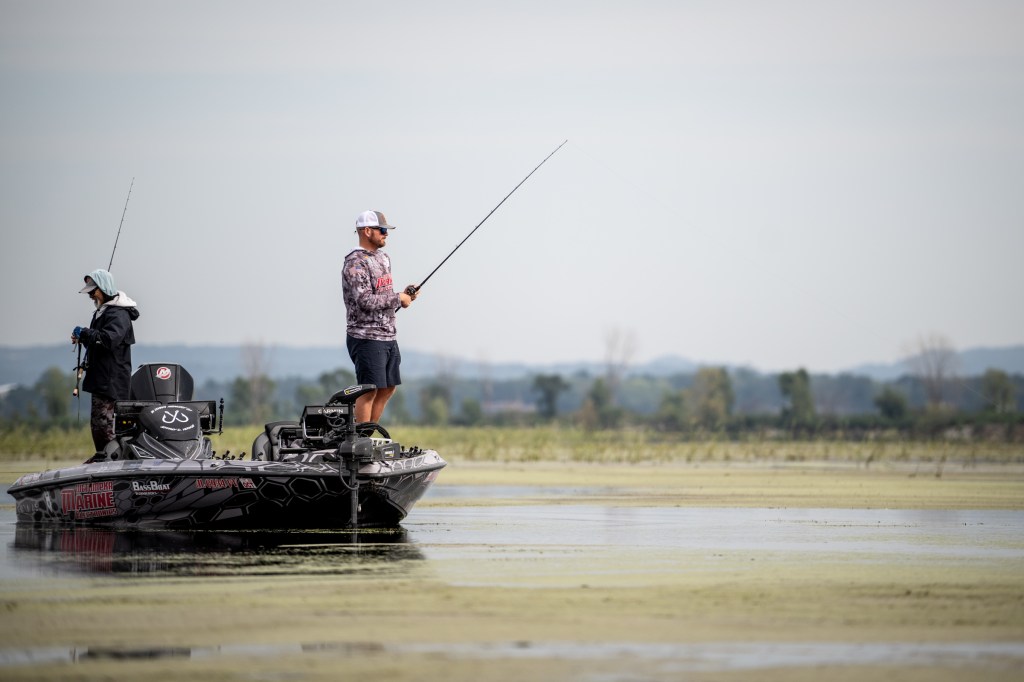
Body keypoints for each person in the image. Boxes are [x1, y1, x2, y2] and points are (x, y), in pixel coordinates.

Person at [341, 210, 418, 424]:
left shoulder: (383, 258)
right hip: (365, 337)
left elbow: (384, 295)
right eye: (382, 229)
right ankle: (359, 439)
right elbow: (364, 300)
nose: (386, 234)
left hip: (388, 336)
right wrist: (398, 298)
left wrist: (405, 295)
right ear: (367, 231)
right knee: (369, 391)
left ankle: (367, 434)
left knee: (388, 388)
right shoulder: (355, 263)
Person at [71, 268, 140, 455]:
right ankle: (103, 456)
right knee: (99, 423)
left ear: (103, 289)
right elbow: (98, 343)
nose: (90, 295)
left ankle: (110, 459)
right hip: (101, 380)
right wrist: (83, 337)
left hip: (111, 382)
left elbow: (108, 340)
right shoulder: (103, 312)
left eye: (93, 291)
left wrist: (85, 333)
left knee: (106, 424)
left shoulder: (119, 314)